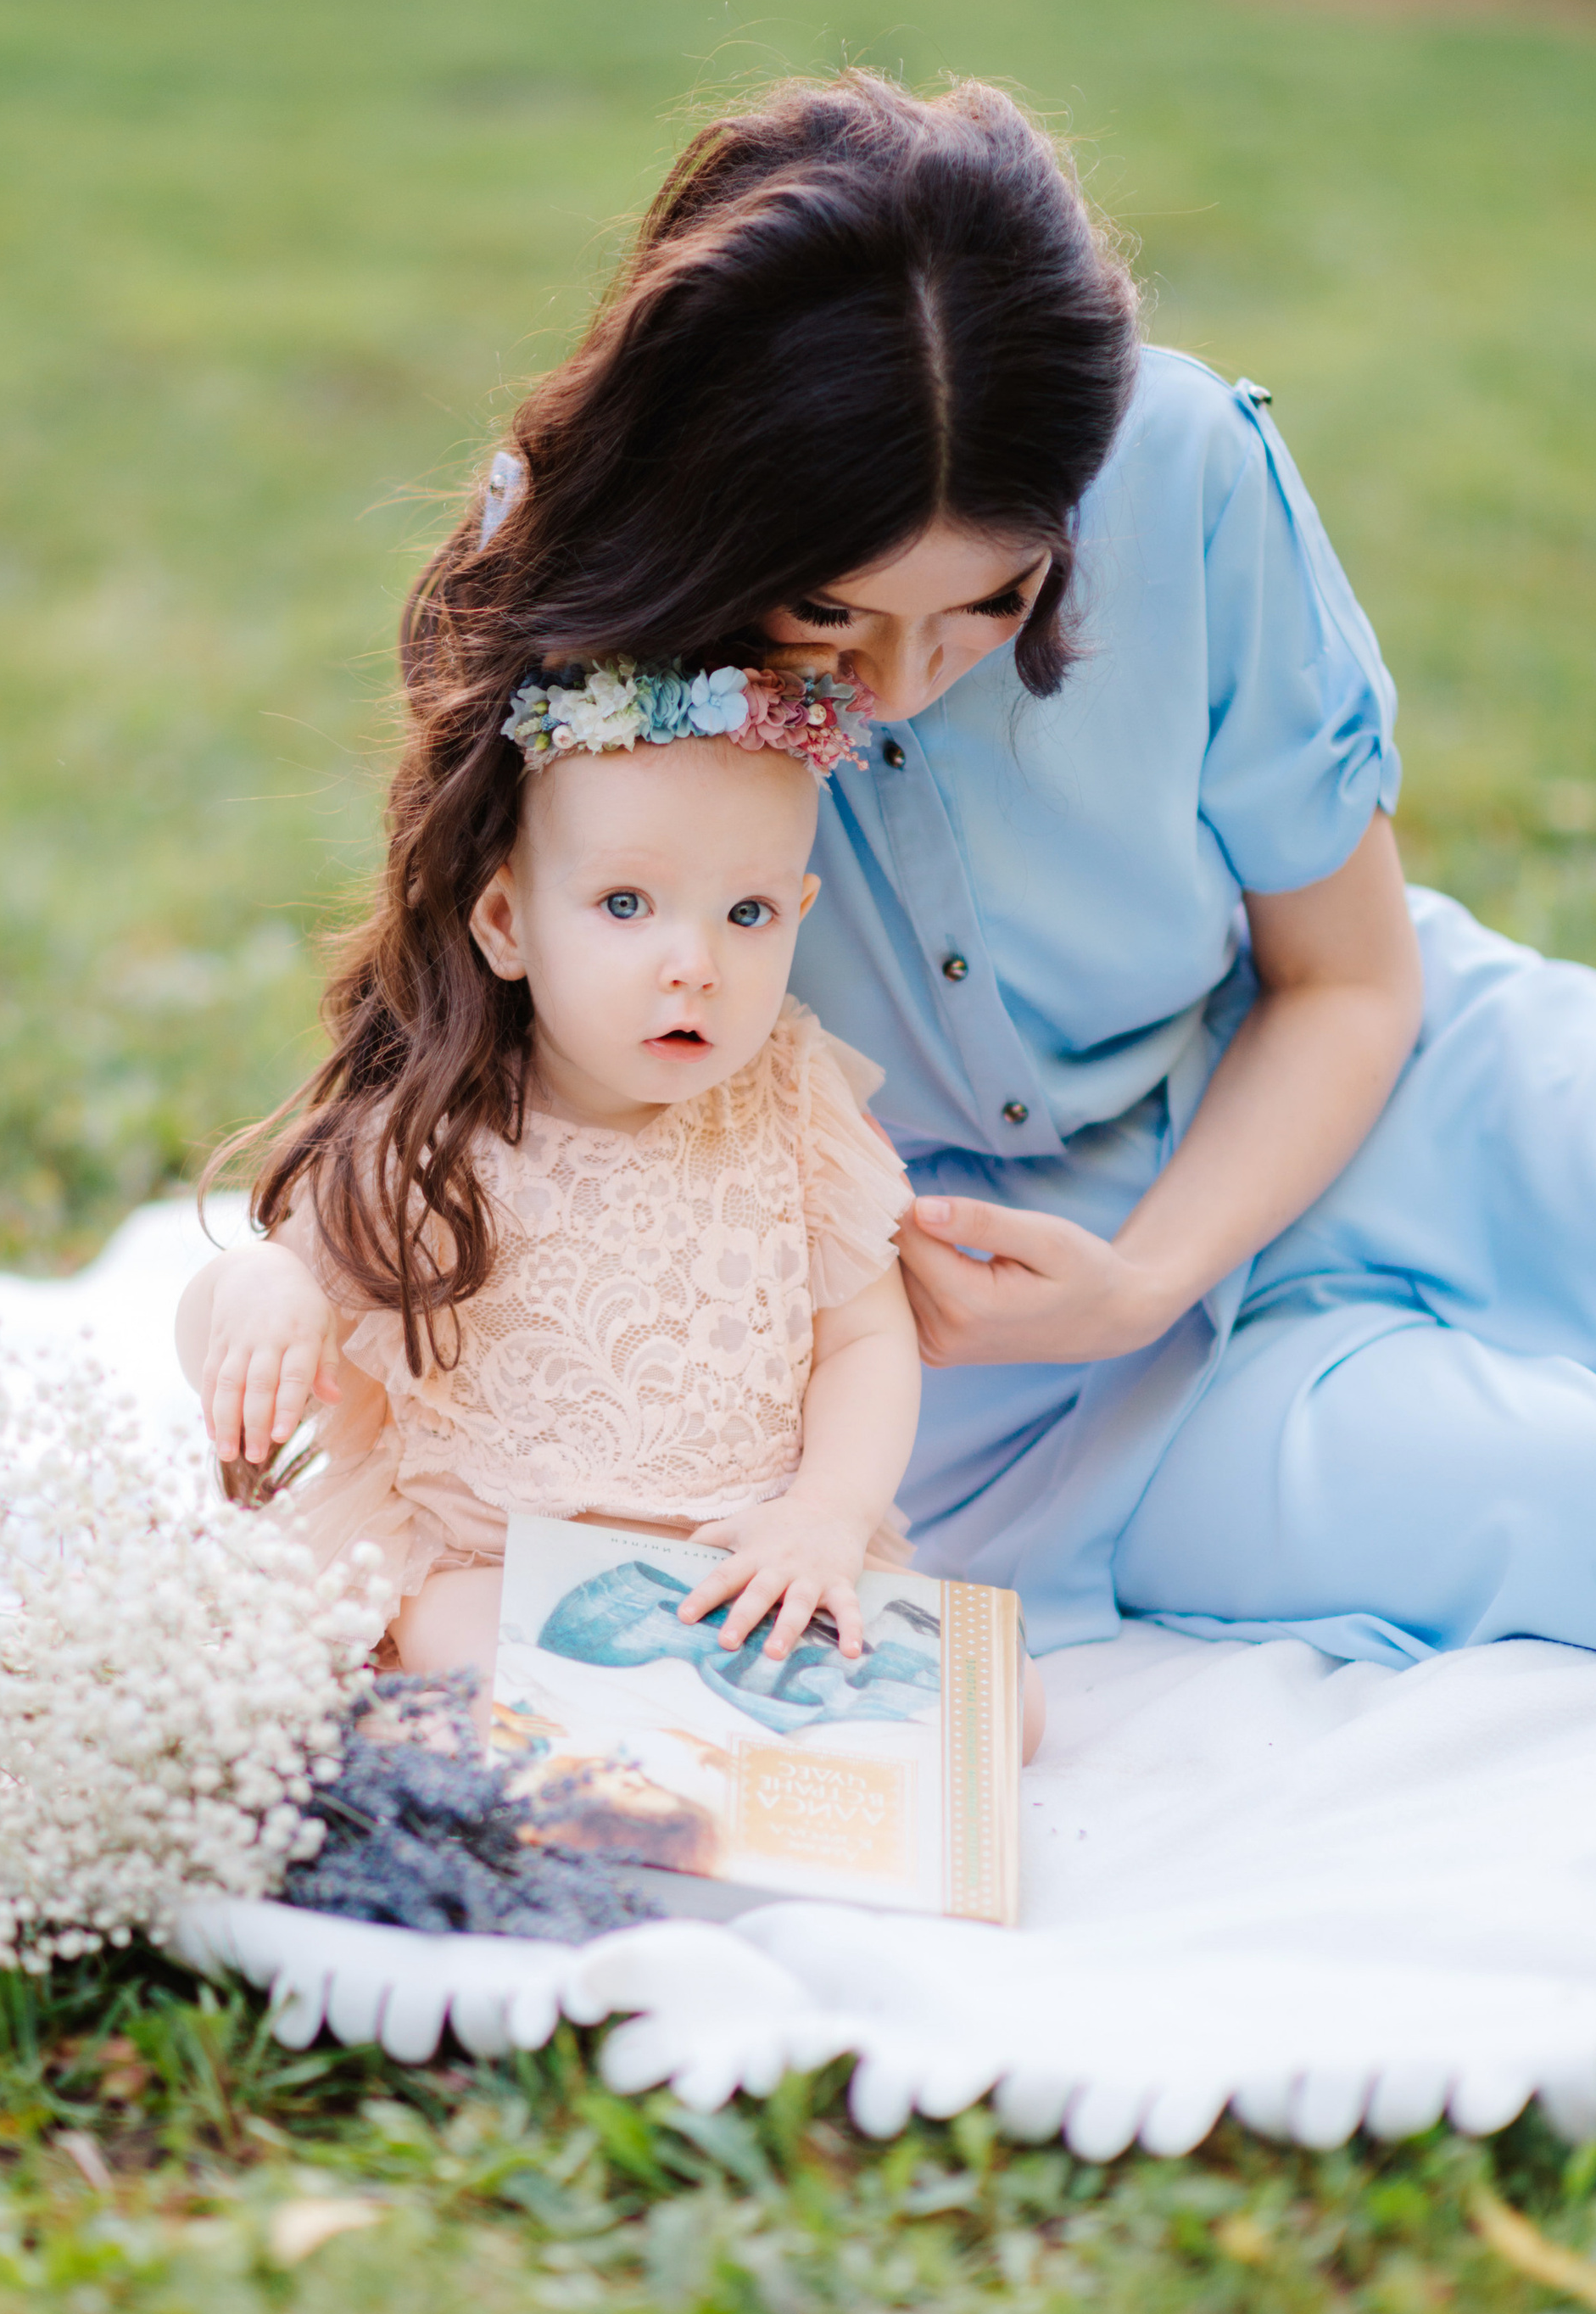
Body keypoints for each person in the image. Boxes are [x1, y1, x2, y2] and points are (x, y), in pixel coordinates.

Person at [193, 66, 1596, 1673]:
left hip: (1389, 1089)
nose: (910, 684)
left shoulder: (1185, 464)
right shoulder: (583, 589)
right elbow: (477, 1028)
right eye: (830, 618)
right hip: (999, 1353)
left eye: (991, 606)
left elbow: (1347, 977)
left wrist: (1148, 1273)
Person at [179, 656, 1057, 1749]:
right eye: (626, 905)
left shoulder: (793, 1099)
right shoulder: (438, 1128)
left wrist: (823, 1518)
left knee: (994, 1718)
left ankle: (708, 1745)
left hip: (750, 1563)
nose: (693, 964)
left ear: (801, 911)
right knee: (496, 1673)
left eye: (747, 912)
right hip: (493, 1567)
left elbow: (866, 1342)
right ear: (506, 921)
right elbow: (255, 1308)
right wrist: (258, 1286)